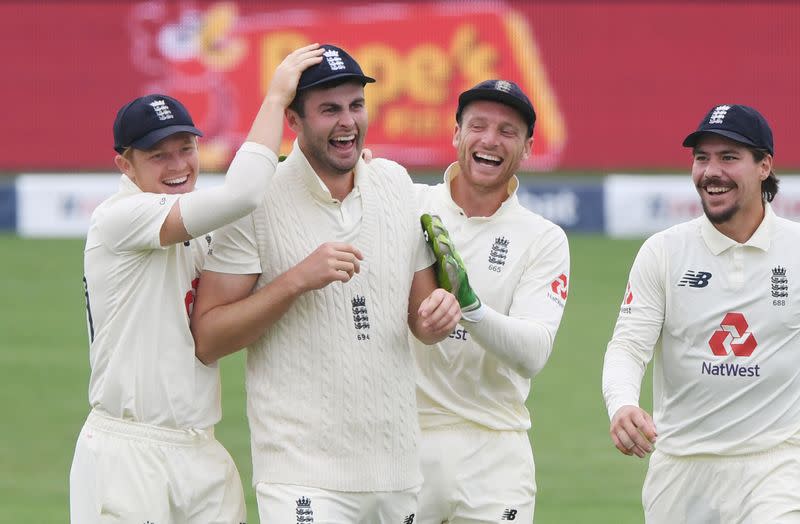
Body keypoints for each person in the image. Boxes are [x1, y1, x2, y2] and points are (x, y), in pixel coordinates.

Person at [189, 44, 461, 524]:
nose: (348, 122)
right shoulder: (256, 200)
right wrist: (294, 281)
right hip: (300, 473)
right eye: (329, 109)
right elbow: (208, 337)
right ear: (292, 120)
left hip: (396, 471)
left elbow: (422, 321)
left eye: (356, 105)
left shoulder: (396, 184)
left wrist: (439, 314)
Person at [69, 44, 326, 524]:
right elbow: (245, 193)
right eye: (157, 155)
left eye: (185, 148)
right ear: (125, 165)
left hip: (200, 449)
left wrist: (332, 176)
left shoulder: (200, 228)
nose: (178, 165)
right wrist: (275, 98)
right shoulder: (119, 218)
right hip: (128, 451)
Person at [601, 104, 800, 523]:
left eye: (729, 157)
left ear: (764, 165)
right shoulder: (664, 251)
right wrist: (621, 404)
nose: (711, 171)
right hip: (681, 468)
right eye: (702, 158)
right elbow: (628, 345)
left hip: (777, 464)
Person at [410, 79, 570, 523]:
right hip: (404, 443)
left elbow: (534, 353)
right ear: (456, 134)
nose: (490, 140)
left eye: (507, 131)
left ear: (528, 147)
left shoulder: (543, 238)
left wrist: (469, 306)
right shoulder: (407, 204)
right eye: (478, 126)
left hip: (495, 449)